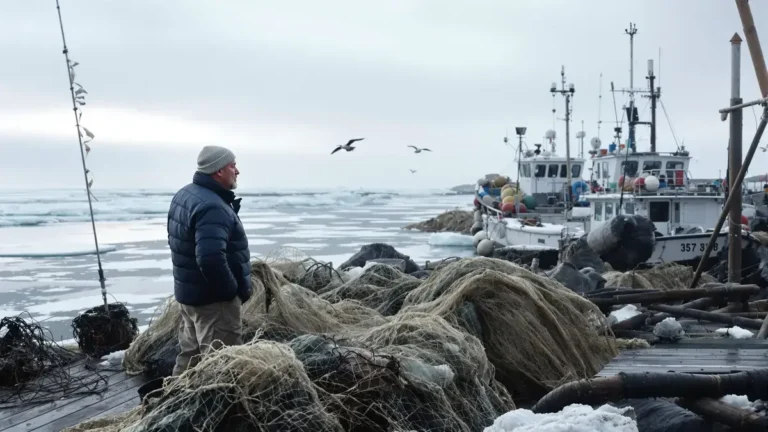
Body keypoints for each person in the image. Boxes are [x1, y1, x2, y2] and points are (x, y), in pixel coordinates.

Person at [167, 145, 252, 376]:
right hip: (214, 302)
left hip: (190, 295)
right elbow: (211, 258)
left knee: (190, 359)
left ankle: (175, 402)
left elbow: (177, 242)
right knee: (222, 367)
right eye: (232, 165)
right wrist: (230, 292)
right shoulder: (212, 206)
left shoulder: (185, 194)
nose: (237, 171)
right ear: (218, 171)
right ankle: (219, 410)